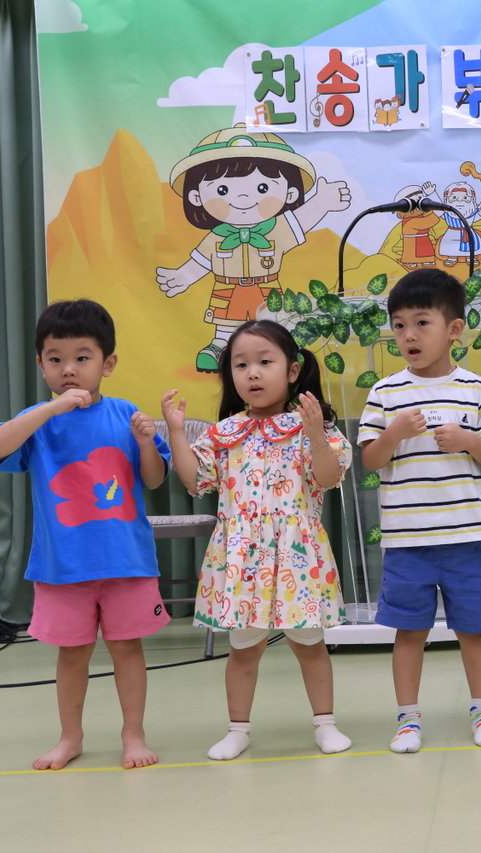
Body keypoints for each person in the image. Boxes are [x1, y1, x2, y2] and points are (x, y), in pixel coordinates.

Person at [0, 299, 170, 770]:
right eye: (56, 358)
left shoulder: (125, 413)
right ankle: (70, 737)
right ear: (40, 364)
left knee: (127, 650)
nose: (69, 369)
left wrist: (146, 443)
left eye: (82, 358)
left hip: (126, 562)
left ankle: (133, 734)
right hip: (62, 566)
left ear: (108, 364)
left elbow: (153, 479)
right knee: (72, 654)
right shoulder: (37, 422)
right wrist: (52, 409)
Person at [161, 319, 353, 760]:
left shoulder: (310, 425)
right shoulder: (224, 433)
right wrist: (175, 432)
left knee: (310, 645)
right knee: (243, 650)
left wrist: (316, 434)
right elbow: (194, 481)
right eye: (241, 364)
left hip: (297, 558)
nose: (252, 373)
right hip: (243, 561)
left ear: (292, 370)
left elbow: (328, 478)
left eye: (265, 362)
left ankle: (325, 724)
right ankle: (238, 730)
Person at [358, 269, 481, 753]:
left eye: (422, 323)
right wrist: (394, 433)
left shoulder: (478, 389)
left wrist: (467, 440)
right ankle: (407, 719)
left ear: (454, 329)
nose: (409, 336)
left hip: (467, 536)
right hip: (408, 541)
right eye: (400, 325)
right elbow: (371, 460)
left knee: (474, 629)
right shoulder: (384, 392)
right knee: (409, 631)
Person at [155, 124, 351, 372]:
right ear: (196, 197)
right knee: (226, 325)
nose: (243, 198)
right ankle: (219, 347)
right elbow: (199, 263)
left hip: (267, 289)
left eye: (262, 188)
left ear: (290, 193)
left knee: (274, 327)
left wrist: (322, 202)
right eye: (223, 190)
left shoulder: (277, 229)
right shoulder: (216, 238)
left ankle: (286, 353)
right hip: (228, 289)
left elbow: (302, 219)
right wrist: (182, 276)